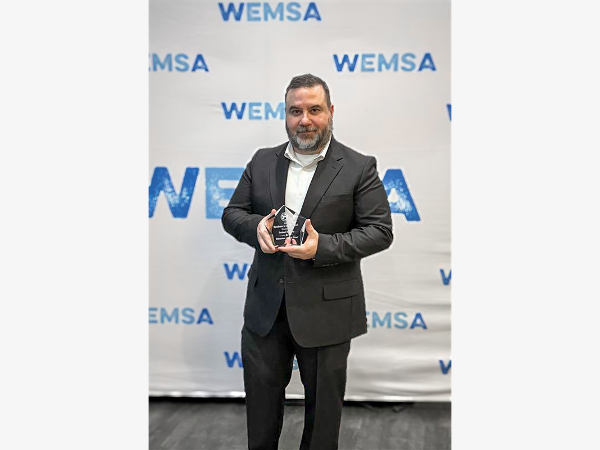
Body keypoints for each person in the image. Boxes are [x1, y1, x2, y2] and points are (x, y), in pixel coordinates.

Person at [221, 73, 393, 450]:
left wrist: (322, 247)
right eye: (295, 111)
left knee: (322, 425)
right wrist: (257, 227)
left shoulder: (358, 166)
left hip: (328, 311)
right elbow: (233, 213)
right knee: (260, 415)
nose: (305, 120)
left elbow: (379, 231)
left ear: (330, 111)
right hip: (266, 311)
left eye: (314, 110)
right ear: (285, 115)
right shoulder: (262, 161)